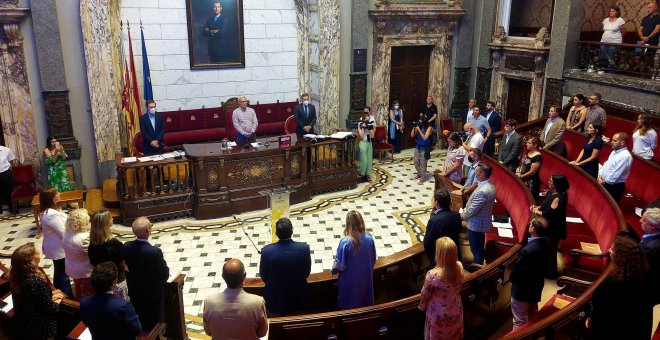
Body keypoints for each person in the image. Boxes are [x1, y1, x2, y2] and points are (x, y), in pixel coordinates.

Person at [586, 236, 652, 340]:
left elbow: (601, 315)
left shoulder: (611, 286)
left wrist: (590, 320)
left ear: (619, 257)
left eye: (612, 249)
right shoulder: (644, 276)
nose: (609, 251)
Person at [8, 243, 63, 340]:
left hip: (27, 324)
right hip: (41, 327)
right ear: (31, 260)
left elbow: (33, 299)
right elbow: (49, 308)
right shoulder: (35, 281)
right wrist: (57, 301)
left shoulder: (17, 276)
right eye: (36, 252)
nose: (38, 251)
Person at [203, 259, 268, 339]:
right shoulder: (257, 302)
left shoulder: (209, 302)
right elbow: (262, 333)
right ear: (244, 276)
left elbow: (208, 332)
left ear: (223, 277)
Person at [123, 217, 169, 331]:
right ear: (148, 231)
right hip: (152, 293)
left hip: (134, 289)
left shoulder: (126, 246)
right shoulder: (154, 252)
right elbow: (164, 274)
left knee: (140, 315)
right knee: (155, 321)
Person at [259, 218, 311, 316]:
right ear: (292, 231)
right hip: (298, 298)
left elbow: (263, 276)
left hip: (275, 300)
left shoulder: (266, 251)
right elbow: (306, 273)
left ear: (276, 233)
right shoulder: (304, 248)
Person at [80, 262, 141, 339]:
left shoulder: (84, 303)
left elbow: (87, 322)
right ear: (114, 282)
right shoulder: (124, 306)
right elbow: (137, 330)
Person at [419, 237, 464, 339]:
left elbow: (424, 294)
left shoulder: (432, 275)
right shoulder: (460, 267)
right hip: (456, 309)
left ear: (439, 255)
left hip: (438, 315)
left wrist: (422, 307)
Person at [331, 210, 377, 310]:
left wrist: (333, 269)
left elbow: (339, 266)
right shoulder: (370, 239)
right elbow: (373, 260)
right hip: (366, 281)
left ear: (348, 224)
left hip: (350, 285)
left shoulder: (345, 242)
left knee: (350, 310)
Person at [510, 217, 550, 329]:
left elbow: (516, 272)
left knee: (519, 321)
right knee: (533, 315)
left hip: (522, 291)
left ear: (533, 229)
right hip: (536, 287)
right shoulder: (546, 243)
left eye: (530, 224)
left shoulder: (527, 251)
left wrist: (511, 279)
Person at [531, 174, 569, 278]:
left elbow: (550, 214)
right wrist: (538, 207)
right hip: (549, 228)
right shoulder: (552, 192)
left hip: (553, 229)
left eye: (551, 181)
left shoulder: (559, 197)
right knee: (547, 249)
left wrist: (536, 211)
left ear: (557, 184)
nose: (549, 182)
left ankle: (550, 273)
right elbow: (546, 206)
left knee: (550, 250)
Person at [39, 186, 73, 298]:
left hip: (56, 247)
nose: (60, 194)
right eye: (57, 193)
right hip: (58, 248)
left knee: (59, 271)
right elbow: (63, 232)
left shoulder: (51, 211)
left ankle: (59, 293)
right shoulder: (51, 214)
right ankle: (67, 297)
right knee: (63, 274)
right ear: (52, 198)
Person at [88, 210, 128, 300]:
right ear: (106, 223)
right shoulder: (113, 243)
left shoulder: (92, 242)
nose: (113, 219)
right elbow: (121, 263)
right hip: (116, 280)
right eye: (110, 218)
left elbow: (92, 262)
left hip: (101, 281)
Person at [461, 163, 496, 265]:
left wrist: (462, 215)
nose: (475, 173)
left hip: (476, 225)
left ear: (482, 174)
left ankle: (476, 270)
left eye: (477, 172)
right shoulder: (488, 185)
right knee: (478, 247)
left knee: (476, 250)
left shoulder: (483, 190)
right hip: (481, 221)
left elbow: (472, 210)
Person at [424, 190, 462, 267]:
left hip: (439, 256)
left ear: (437, 203)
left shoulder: (434, 220)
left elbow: (428, 242)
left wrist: (430, 256)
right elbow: (459, 231)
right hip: (454, 253)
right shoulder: (457, 215)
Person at [63, 208, 94, 300]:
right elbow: (92, 253)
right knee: (88, 293)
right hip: (85, 271)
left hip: (72, 267)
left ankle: (79, 302)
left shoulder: (67, 233)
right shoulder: (84, 238)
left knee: (78, 288)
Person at [598, 132, 632, 203]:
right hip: (604, 183)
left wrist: (604, 182)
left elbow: (615, 174)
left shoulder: (625, 156)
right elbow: (606, 164)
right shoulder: (614, 151)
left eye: (615, 141)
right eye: (612, 140)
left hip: (614, 187)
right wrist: (600, 175)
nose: (611, 142)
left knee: (609, 208)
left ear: (622, 143)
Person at [640, 208, 660, 305]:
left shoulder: (651, 248)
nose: (640, 221)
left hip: (647, 292)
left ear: (652, 226)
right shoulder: (652, 238)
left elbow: (640, 271)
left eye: (644, 220)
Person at [411, 115, 433, 184]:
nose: (420, 123)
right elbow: (412, 135)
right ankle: (420, 173)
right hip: (418, 146)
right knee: (416, 161)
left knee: (423, 163)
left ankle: (423, 178)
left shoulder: (429, 128)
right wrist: (414, 128)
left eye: (421, 122)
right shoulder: (419, 127)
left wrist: (419, 130)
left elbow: (425, 138)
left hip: (425, 147)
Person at [357, 106, 376, 182]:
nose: (365, 114)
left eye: (367, 112)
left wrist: (369, 128)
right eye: (364, 112)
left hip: (369, 141)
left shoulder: (372, 119)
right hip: (363, 142)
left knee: (369, 160)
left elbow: (372, 135)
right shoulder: (360, 121)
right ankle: (361, 172)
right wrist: (363, 126)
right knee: (364, 160)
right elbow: (361, 136)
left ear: (369, 112)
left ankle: (367, 175)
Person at [0, 142, 17, 214]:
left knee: (9, 192)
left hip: (5, 172)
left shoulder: (6, 150)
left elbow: (11, 162)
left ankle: (12, 208)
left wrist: (8, 171)